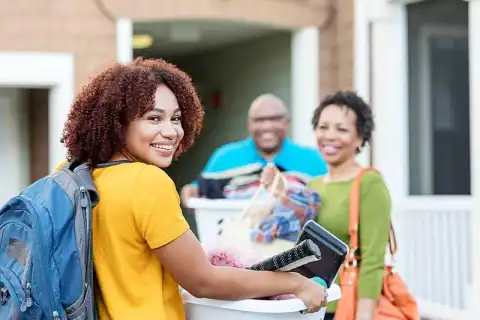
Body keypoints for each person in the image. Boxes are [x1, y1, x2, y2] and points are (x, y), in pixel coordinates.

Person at [59, 58, 327, 319]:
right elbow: (203, 281)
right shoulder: (147, 182)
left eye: (175, 119)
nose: (171, 131)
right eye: (154, 118)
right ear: (117, 123)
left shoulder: (74, 173)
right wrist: (295, 283)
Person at [261, 91, 391, 320]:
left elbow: (373, 260)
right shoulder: (313, 185)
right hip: (309, 305)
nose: (329, 136)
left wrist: (364, 315)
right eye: (323, 127)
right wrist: (277, 196)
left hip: (346, 308)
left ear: (360, 138)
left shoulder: (369, 183)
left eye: (341, 129)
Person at [180, 94, 328, 204]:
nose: (267, 126)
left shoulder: (313, 159)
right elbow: (199, 190)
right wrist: (190, 191)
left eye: (275, 119)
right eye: (259, 120)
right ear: (249, 124)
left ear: (287, 122)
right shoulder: (225, 157)